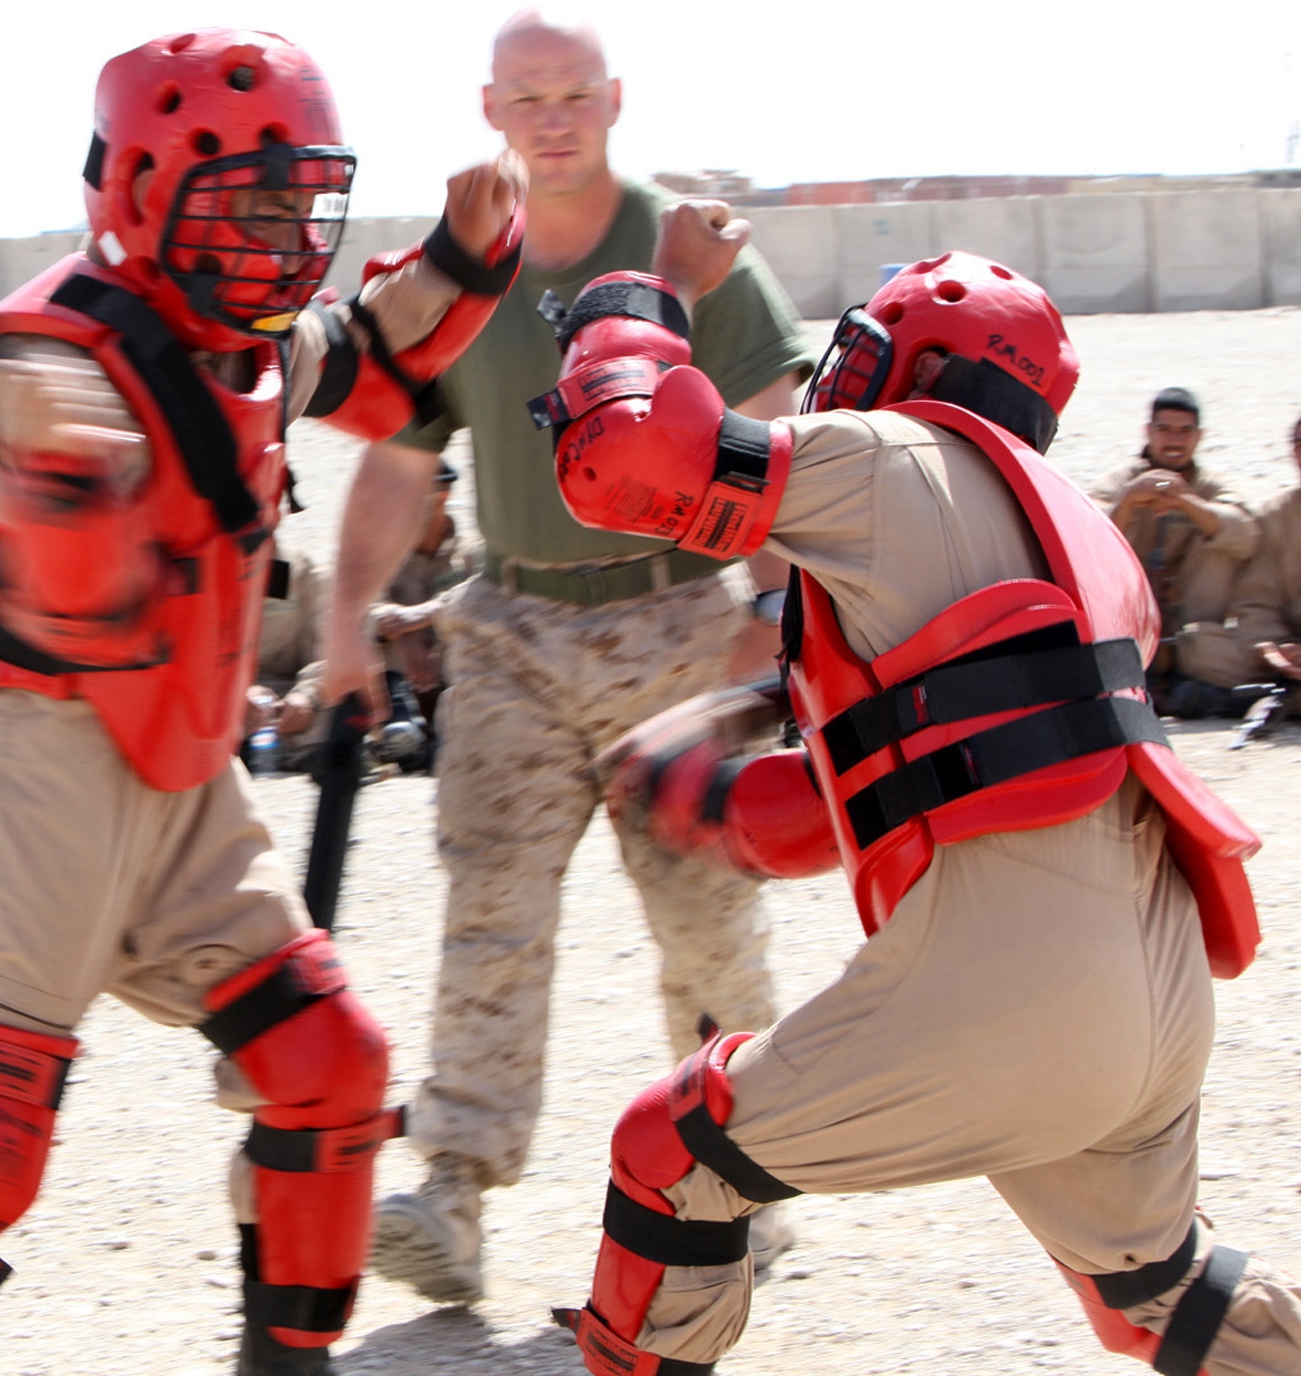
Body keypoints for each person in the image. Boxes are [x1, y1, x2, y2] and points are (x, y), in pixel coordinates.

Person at [0, 28, 525, 1376]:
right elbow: (74, 590)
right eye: (251, 205)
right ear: (150, 193)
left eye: (301, 204)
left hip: (181, 786)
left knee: (329, 1071)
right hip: (32, 777)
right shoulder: (45, 361)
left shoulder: (249, 341)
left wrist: (463, 256)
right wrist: (68, 474)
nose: (286, 239)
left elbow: (382, 356)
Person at [539, 218, 1301, 1374]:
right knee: (1161, 1294)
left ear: (933, 367)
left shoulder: (896, 455)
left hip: (1024, 997)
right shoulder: (1080, 538)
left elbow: (624, 457)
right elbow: (934, 779)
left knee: (674, 1151)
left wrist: (630, 299)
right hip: (1156, 1004)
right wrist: (712, 800)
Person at [318, 9, 811, 1302]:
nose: (551, 116)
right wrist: (341, 621)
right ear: (490, 108)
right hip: (514, 634)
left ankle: (739, 1179)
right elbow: (397, 455)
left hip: (680, 625)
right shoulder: (464, 262)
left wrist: (777, 610)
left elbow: (777, 433)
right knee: (489, 913)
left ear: (614, 98)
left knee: (707, 924)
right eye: (526, 96)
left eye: (573, 92)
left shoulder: (691, 248)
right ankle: (452, 1196)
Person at [1092, 387, 1261, 716]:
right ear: (1148, 431)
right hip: (1129, 626)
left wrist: (1188, 504)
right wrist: (1127, 502)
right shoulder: (1120, 482)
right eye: (1164, 429)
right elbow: (1082, 540)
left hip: (1197, 636)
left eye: (1184, 432)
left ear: (1199, 437)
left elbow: (1248, 536)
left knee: (1222, 535)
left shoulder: (1213, 485)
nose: (1174, 441)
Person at [367, 458, 480, 765]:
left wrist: (425, 616)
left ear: (442, 495)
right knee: (363, 644)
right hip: (402, 678)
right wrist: (402, 633)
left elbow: (485, 601)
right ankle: (398, 734)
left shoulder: (471, 555)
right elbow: (361, 610)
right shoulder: (384, 554)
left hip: (454, 674)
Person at [1226, 414, 1301, 689]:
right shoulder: (1274, 516)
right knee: (1198, 645)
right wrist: (1271, 650)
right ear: (1294, 452)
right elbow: (1257, 601)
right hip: (1291, 646)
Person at [247, 541, 330, 772]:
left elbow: (326, 650)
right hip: (223, 698)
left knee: (344, 709)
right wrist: (239, 691)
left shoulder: (298, 571)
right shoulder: (202, 565)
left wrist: (306, 697)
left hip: (285, 695)